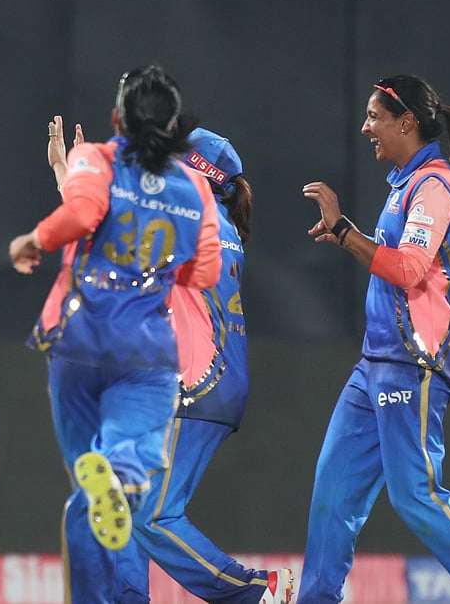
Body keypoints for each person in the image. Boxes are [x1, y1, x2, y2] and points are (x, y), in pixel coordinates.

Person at [300, 74, 450, 604]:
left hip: (413, 360)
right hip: (375, 362)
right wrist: (352, 236)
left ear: (406, 121)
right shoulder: (407, 185)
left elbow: (408, 270)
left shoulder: (435, 184)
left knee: (416, 496)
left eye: (373, 117)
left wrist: (344, 232)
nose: (365, 129)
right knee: (333, 491)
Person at [45, 117, 293, 604]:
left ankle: (255, 592)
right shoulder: (211, 220)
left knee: (150, 515)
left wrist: (70, 174)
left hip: (194, 382)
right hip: (205, 381)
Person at [9, 65, 223, 604]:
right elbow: (205, 274)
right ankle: (123, 469)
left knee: (87, 489)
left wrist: (34, 238)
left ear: (115, 119)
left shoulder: (97, 158)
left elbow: (81, 211)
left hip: (77, 342)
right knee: (128, 462)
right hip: (144, 350)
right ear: (175, 127)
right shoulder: (194, 186)